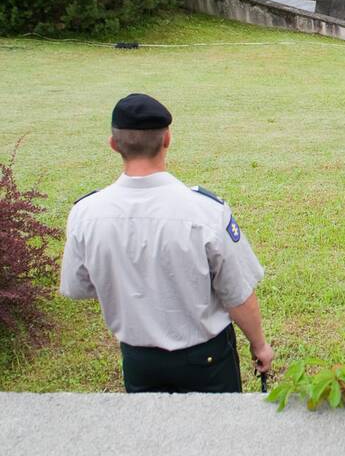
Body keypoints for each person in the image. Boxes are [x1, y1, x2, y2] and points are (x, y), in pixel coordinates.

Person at [60, 94, 272, 393]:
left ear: (113, 144)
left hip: (138, 359)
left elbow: (77, 287)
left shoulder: (86, 214)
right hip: (207, 360)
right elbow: (237, 295)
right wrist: (260, 345)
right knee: (221, 437)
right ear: (167, 139)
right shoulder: (206, 211)